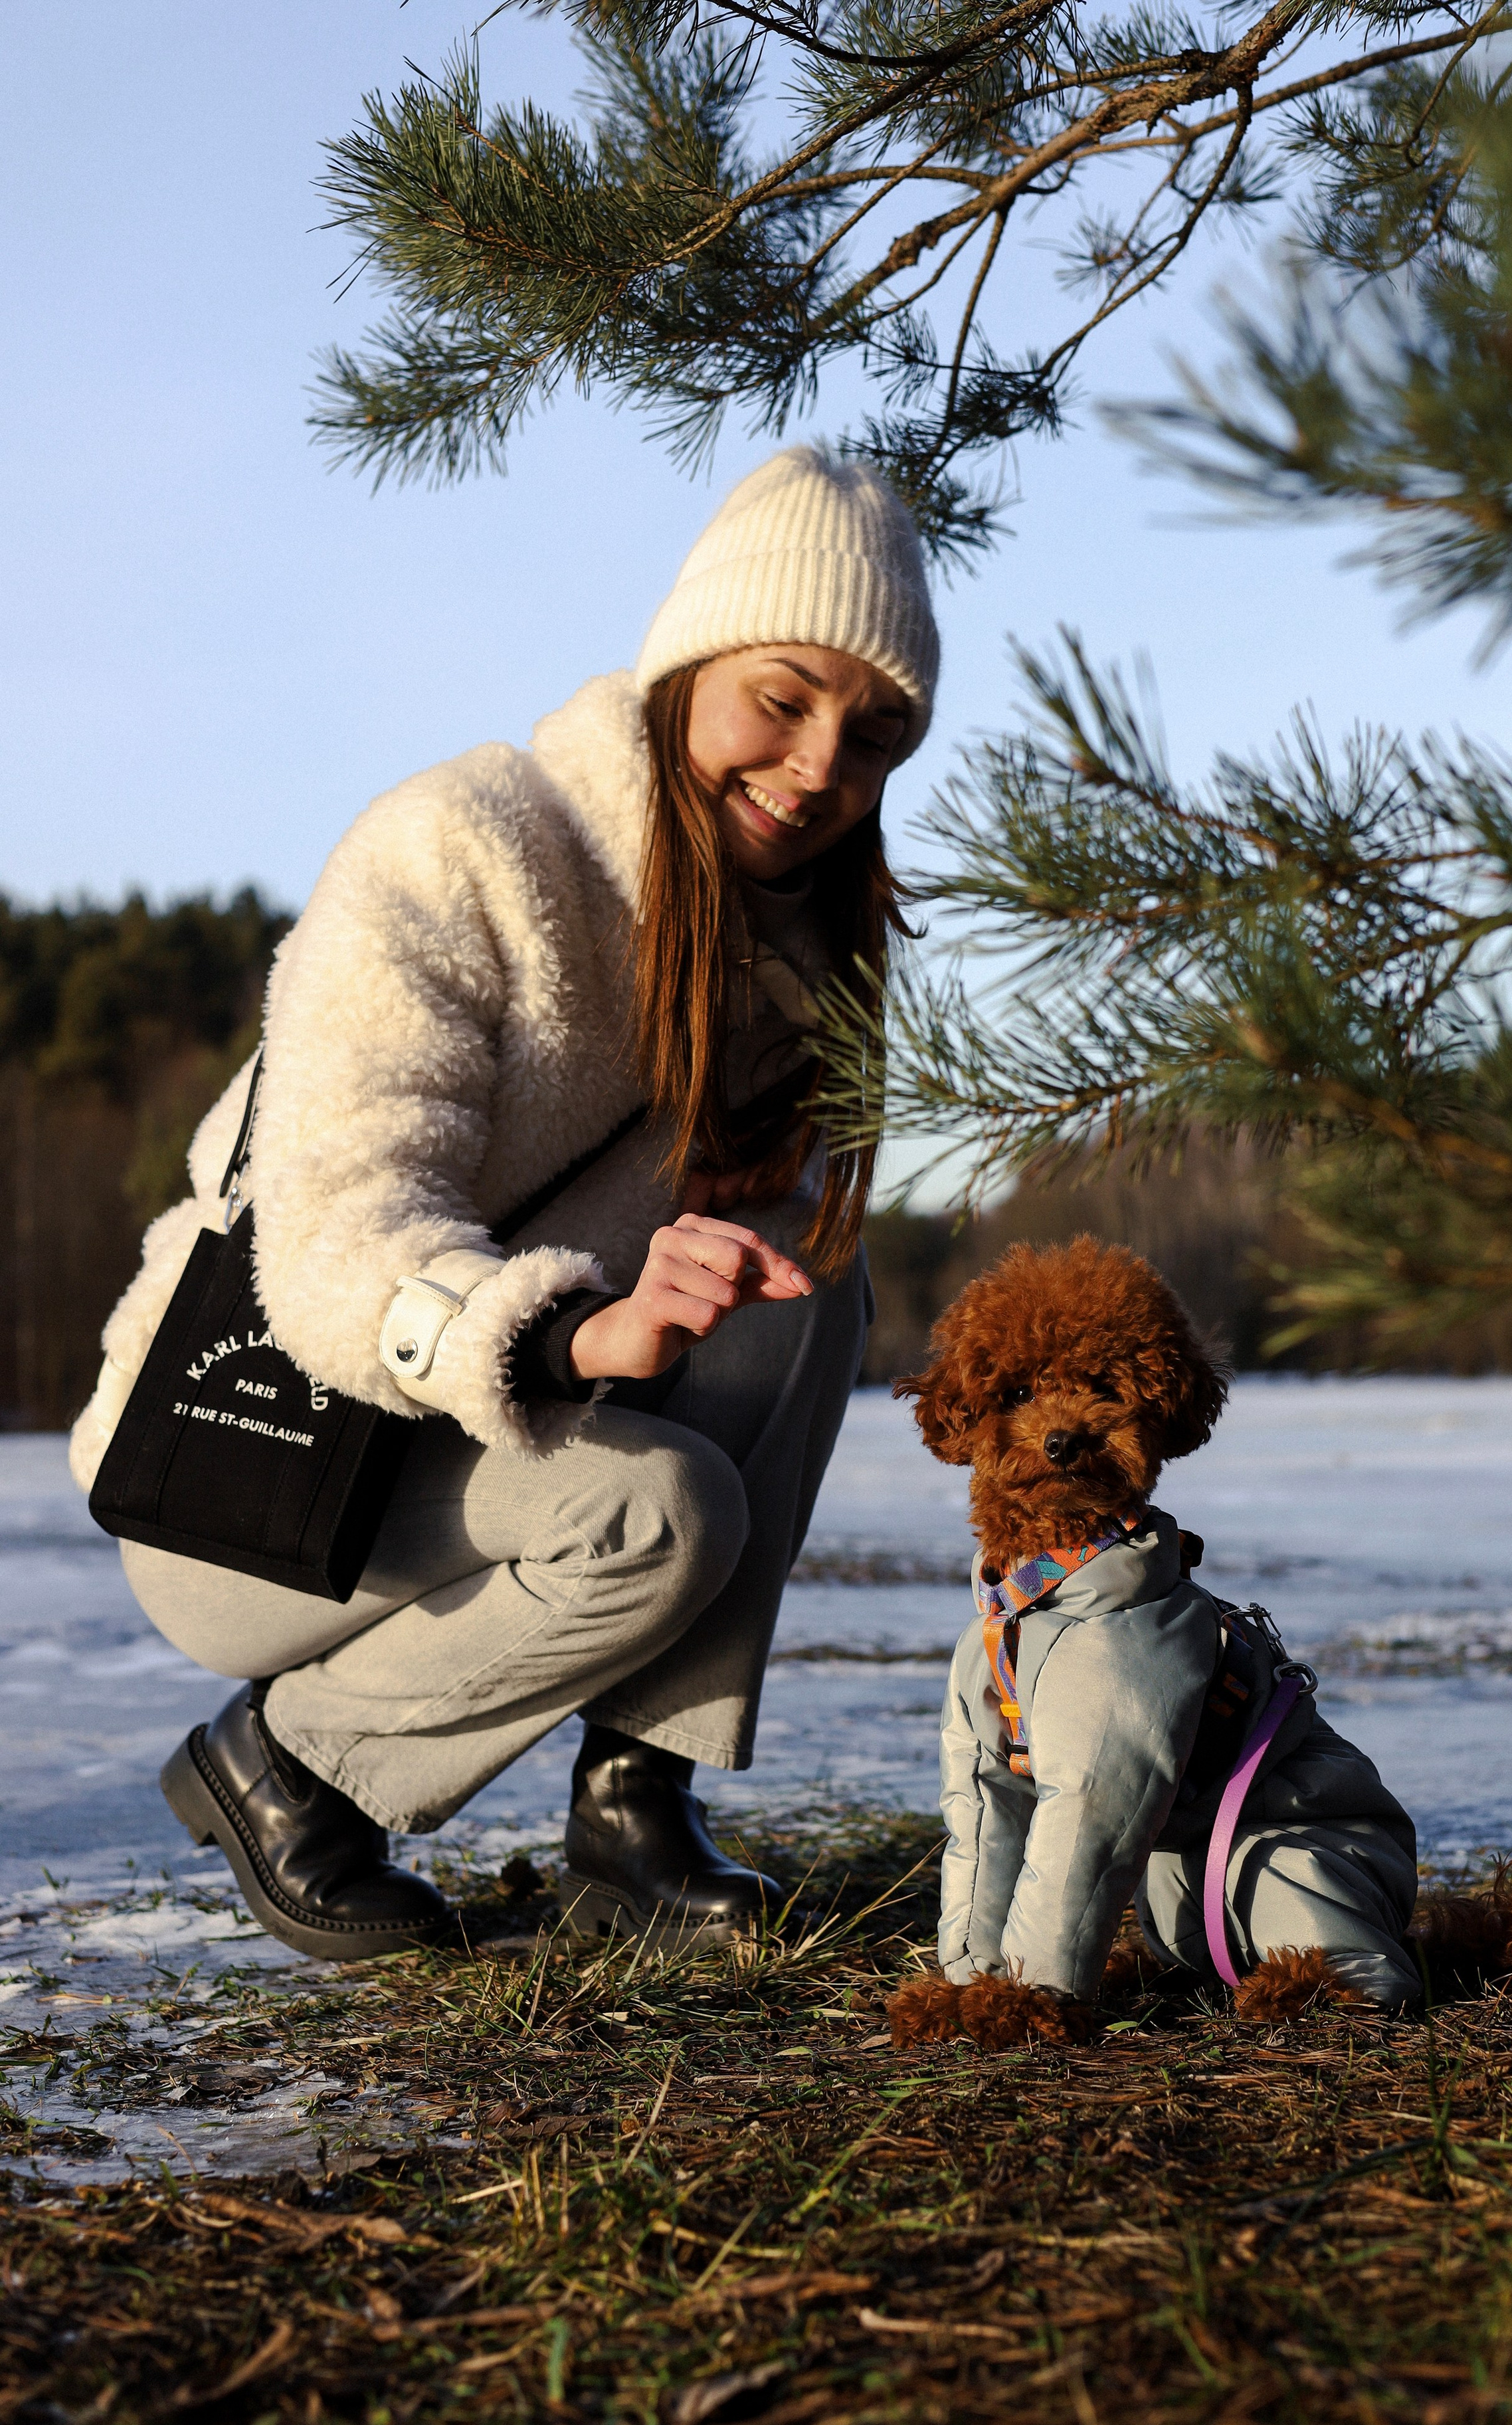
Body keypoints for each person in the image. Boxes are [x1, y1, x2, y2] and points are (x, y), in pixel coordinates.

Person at [67, 446, 939, 1963]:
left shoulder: (800, 967)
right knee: (662, 1511)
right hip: (249, 1471)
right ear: (686, 669)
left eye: (870, 740)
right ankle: (293, 1767)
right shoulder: (459, 846)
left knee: (806, 1273)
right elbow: (333, 1239)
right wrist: (574, 1341)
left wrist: (671, 1307)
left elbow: (747, 1326)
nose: (817, 769)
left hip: (472, 1443)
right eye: (782, 699)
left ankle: (631, 1814)